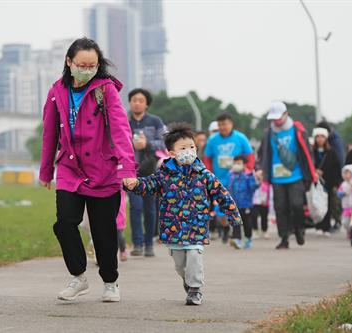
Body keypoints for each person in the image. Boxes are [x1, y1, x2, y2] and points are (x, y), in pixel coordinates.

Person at [39, 37, 136, 303]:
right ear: (69, 62)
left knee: (104, 232)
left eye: (92, 65)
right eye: (82, 64)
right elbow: (49, 133)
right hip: (70, 168)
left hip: (102, 170)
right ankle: (79, 277)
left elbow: (120, 130)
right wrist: (46, 171)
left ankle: (110, 281)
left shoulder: (106, 90)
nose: (87, 69)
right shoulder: (57, 90)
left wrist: (127, 167)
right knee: (64, 224)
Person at [123, 122, 241, 306]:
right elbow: (149, 184)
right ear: (171, 153)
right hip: (173, 228)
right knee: (180, 265)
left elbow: (221, 193)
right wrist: (134, 183)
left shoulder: (204, 174)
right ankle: (188, 280)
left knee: (194, 255)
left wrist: (232, 214)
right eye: (183, 148)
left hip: (197, 226)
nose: (189, 151)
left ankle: (195, 289)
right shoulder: (164, 175)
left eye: (192, 147)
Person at [256, 101, 317, 250]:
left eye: (278, 117)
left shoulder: (297, 130)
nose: (276, 121)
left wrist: (311, 173)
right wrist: (260, 169)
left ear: (286, 114)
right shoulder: (268, 133)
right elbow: (262, 153)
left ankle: (298, 229)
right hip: (277, 177)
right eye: (273, 118)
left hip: (296, 175)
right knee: (280, 207)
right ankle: (284, 238)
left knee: (296, 205)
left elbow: (307, 152)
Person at [128, 88, 166, 257]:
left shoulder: (155, 121)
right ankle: (137, 243)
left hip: (151, 171)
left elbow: (164, 143)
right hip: (131, 170)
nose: (137, 103)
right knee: (135, 207)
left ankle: (149, 243)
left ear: (146, 104)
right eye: (134, 100)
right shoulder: (123, 122)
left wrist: (147, 143)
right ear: (130, 102)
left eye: (140, 100)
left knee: (150, 208)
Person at [204, 113, 254, 243]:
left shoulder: (240, 138)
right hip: (220, 180)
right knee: (220, 211)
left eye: (225, 124)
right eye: (220, 124)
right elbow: (207, 159)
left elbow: (250, 156)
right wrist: (209, 174)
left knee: (235, 206)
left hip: (237, 179)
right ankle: (226, 228)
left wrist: (247, 170)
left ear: (231, 124)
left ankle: (236, 235)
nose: (222, 127)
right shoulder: (213, 140)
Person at [312, 127, 342, 236]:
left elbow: (336, 168)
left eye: (322, 136)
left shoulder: (332, 152)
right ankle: (318, 226)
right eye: (317, 136)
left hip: (327, 182)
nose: (319, 139)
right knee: (316, 204)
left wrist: (335, 183)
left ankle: (326, 226)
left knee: (328, 204)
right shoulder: (312, 152)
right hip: (315, 183)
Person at [226, 155, 258, 249]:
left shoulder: (248, 174)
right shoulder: (230, 174)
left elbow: (253, 187)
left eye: (239, 163)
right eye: (235, 163)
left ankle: (248, 238)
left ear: (244, 165)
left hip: (246, 203)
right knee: (236, 222)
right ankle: (237, 239)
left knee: (247, 222)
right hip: (234, 203)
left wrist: (256, 182)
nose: (236, 165)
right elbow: (227, 186)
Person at [337, 165, 352, 240]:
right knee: (345, 221)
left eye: (348, 173)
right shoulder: (343, 184)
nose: (346, 175)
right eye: (345, 173)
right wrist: (344, 193)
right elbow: (339, 194)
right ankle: (349, 230)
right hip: (346, 206)